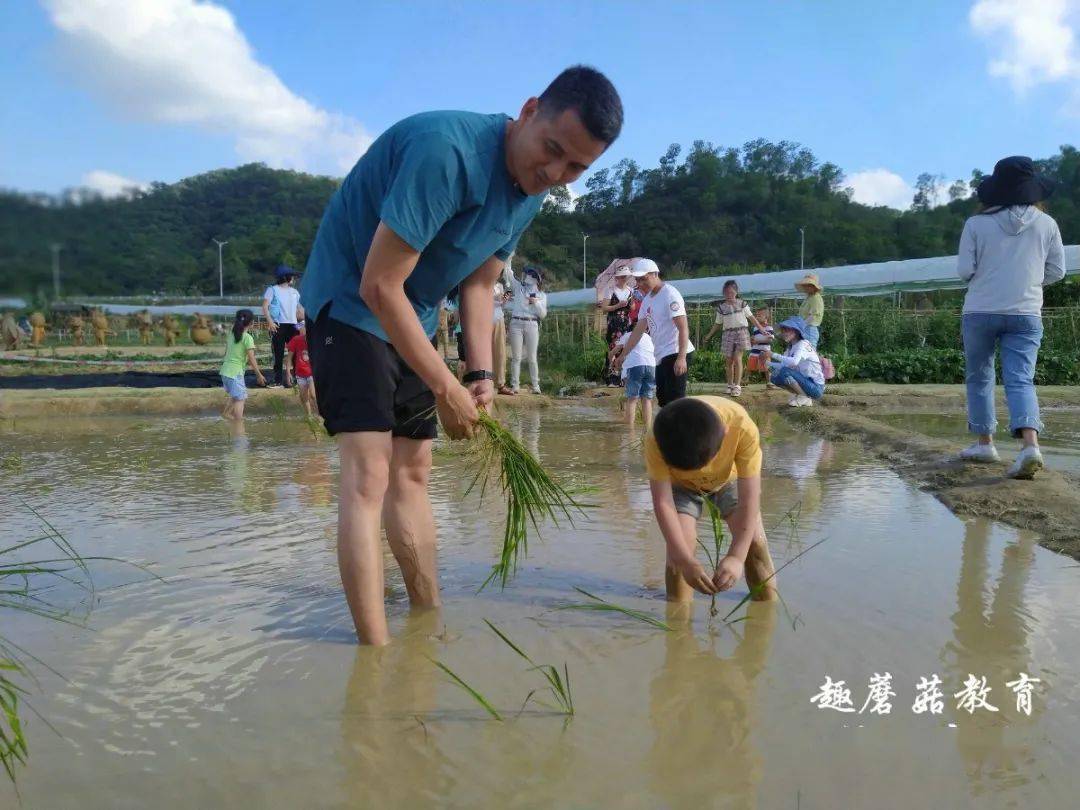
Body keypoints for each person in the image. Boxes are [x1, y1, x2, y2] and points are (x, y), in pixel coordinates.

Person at [299, 65, 622, 645]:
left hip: (414, 314)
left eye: (576, 167)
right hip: (351, 303)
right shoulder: (445, 153)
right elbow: (378, 285)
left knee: (414, 471)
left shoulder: (531, 195)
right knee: (369, 471)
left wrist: (479, 375)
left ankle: (426, 624)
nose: (555, 172)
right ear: (528, 111)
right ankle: (373, 655)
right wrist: (446, 388)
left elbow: (479, 284)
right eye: (551, 150)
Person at [956, 155, 1066, 479]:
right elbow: (1057, 271)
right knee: (1020, 378)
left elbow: (965, 270)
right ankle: (1030, 446)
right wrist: (1029, 281)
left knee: (980, 377)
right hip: (1026, 312)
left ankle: (984, 443)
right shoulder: (1047, 224)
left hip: (980, 310)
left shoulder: (976, 224)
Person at [644, 396, 777, 602]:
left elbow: (749, 500)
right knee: (680, 546)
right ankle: (678, 621)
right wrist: (684, 560)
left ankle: (767, 607)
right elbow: (663, 502)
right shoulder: (658, 438)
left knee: (754, 542)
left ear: (725, 433)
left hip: (728, 479)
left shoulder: (741, 427)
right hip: (680, 485)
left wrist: (736, 557)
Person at [616, 258, 694, 407]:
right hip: (660, 354)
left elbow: (683, 327)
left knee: (675, 401)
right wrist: (623, 354)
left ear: (655, 274)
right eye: (637, 280)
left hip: (675, 351)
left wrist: (682, 357)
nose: (640, 284)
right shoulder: (647, 300)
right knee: (663, 399)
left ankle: (683, 429)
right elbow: (639, 330)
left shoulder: (669, 294)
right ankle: (668, 429)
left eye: (643, 279)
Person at [702, 280, 765, 397]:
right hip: (728, 333)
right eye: (726, 293)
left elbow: (751, 318)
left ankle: (737, 386)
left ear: (736, 292)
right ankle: (730, 385)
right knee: (729, 361)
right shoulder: (721, 308)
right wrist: (709, 335)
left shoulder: (742, 304)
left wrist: (761, 329)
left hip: (741, 332)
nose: (729, 295)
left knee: (737, 358)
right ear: (724, 293)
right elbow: (717, 323)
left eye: (731, 292)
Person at [765, 316, 825, 407]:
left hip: (816, 387)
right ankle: (800, 395)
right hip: (806, 383)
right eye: (783, 331)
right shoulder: (790, 348)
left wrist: (773, 355)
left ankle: (803, 397)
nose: (784, 333)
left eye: (787, 330)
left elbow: (794, 362)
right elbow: (782, 365)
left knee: (785, 372)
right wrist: (767, 364)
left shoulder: (803, 344)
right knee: (774, 376)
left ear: (796, 332)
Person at [507, 265, 548, 394]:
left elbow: (543, 314)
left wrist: (535, 302)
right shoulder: (518, 287)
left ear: (537, 279)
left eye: (531, 275)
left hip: (531, 323)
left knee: (532, 357)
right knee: (516, 357)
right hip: (516, 323)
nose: (528, 277)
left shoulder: (541, 295)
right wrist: (508, 259)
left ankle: (536, 386)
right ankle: (515, 385)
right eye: (527, 274)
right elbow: (508, 274)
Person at [219, 309, 266, 419]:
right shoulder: (247, 338)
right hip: (235, 373)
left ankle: (226, 414)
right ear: (251, 323)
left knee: (236, 396)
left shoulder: (231, 334)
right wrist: (259, 374)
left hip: (225, 372)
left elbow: (227, 352)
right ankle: (238, 429)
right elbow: (251, 358)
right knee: (240, 399)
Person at [263, 265, 305, 387]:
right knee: (278, 354)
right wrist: (270, 322)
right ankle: (278, 381)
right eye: (292, 276)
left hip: (293, 325)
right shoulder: (272, 290)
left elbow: (300, 310)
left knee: (296, 353)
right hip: (278, 324)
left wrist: (302, 324)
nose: (294, 279)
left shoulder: (295, 292)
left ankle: (299, 379)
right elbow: (265, 307)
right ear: (286, 277)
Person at [612, 325, 655, 428]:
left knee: (632, 399)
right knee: (647, 398)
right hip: (651, 366)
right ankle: (647, 429)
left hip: (635, 366)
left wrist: (612, 359)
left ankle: (630, 431)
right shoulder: (648, 337)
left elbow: (614, 350)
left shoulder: (627, 335)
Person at [600, 265, 634, 385]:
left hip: (626, 323)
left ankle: (622, 377)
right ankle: (611, 377)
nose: (624, 279)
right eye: (622, 277)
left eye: (625, 276)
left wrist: (630, 305)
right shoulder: (610, 290)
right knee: (613, 348)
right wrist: (618, 306)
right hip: (614, 324)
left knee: (625, 348)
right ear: (617, 278)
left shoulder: (631, 291)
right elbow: (604, 308)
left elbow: (633, 307)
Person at [285, 321, 317, 418]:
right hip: (300, 373)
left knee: (313, 395)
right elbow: (289, 358)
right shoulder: (296, 339)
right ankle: (309, 416)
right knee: (304, 397)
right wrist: (288, 374)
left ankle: (321, 416)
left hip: (313, 373)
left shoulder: (317, 340)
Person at [747, 307, 776, 389]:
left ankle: (769, 382)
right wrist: (752, 340)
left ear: (766, 317)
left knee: (766, 367)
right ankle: (745, 379)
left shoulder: (769, 328)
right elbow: (754, 337)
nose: (757, 317)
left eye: (759, 316)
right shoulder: (755, 328)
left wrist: (758, 341)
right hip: (755, 350)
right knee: (750, 365)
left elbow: (770, 340)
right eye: (756, 316)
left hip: (765, 351)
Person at [493, 276, 512, 394]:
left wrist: (504, 299)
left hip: (498, 318)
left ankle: (500, 384)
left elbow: (502, 304)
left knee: (500, 351)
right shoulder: (480, 283)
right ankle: (483, 381)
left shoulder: (499, 286)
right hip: (482, 320)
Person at [795, 273, 824, 348]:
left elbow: (813, 316)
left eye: (807, 285)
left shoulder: (816, 298)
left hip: (809, 329)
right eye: (804, 285)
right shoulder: (809, 298)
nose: (805, 287)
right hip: (804, 328)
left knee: (809, 353)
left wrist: (801, 326)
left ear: (813, 286)